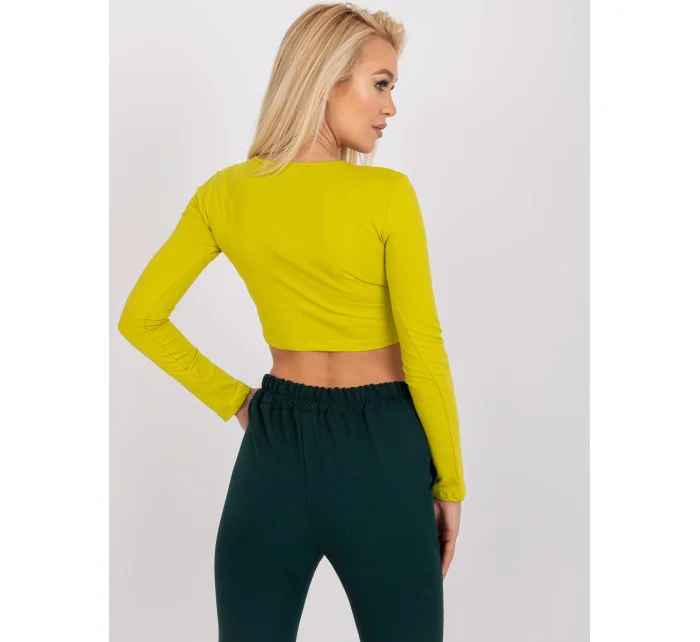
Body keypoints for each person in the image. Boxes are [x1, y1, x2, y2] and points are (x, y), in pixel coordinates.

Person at [117, 3, 466, 640]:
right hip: (385, 455)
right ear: (327, 79)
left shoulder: (226, 193)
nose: (390, 107)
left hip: (274, 450)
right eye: (381, 84)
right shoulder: (387, 193)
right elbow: (423, 347)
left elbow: (141, 319)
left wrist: (237, 401)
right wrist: (450, 483)